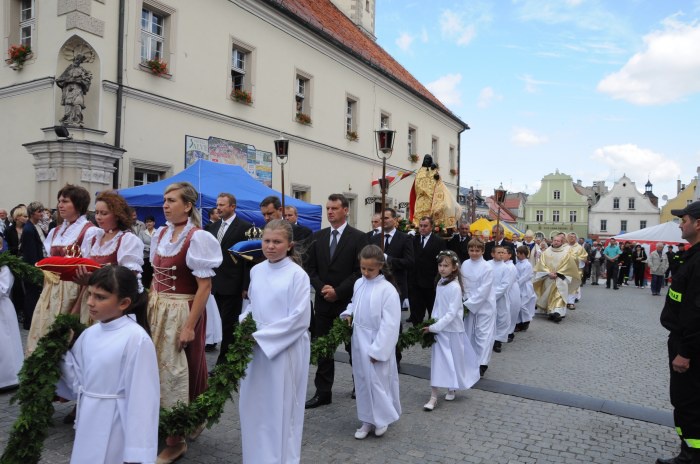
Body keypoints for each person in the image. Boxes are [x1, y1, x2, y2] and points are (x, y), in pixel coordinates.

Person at [147, 181, 222, 463]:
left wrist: (189, 325)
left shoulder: (197, 237)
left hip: (182, 310)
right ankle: (173, 421)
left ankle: (176, 439)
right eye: (164, 200)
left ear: (188, 205)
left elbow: (204, 287)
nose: (165, 205)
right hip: (157, 309)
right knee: (156, 368)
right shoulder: (162, 234)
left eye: (172, 200)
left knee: (177, 372)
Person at [56, 266, 159, 464]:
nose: (90, 303)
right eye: (90, 294)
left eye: (100, 297)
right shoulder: (90, 334)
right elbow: (77, 384)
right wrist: (60, 355)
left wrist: (137, 454)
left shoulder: (136, 339)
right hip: (88, 420)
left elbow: (143, 401)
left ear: (124, 303)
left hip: (116, 425)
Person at [239, 220, 311, 462]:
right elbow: (253, 306)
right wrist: (244, 324)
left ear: (289, 245)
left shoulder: (297, 275)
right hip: (255, 348)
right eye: (267, 241)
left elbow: (299, 318)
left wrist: (261, 337)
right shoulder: (256, 270)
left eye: (277, 242)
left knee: (279, 407)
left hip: (283, 349)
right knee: (255, 406)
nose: (270, 246)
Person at [305, 193, 367, 408]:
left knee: (354, 349)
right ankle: (323, 392)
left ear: (345, 210)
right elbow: (310, 268)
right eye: (328, 208)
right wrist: (322, 287)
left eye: (334, 208)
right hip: (323, 303)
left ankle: (359, 385)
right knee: (323, 349)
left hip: (347, 304)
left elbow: (359, 271)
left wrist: (338, 292)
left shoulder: (358, 237)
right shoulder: (318, 236)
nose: (330, 212)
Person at [340, 244, 401, 438]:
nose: (366, 273)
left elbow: (390, 324)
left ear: (380, 266)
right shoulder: (359, 283)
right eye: (363, 268)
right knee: (363, 380)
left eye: (370, 269)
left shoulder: (388, 290)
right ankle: (366, 419)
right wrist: (349, 313)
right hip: (359, 338)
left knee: (379, 381)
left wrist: (379, 350)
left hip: (377, 340)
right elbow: (354, 302)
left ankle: (381, 419)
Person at [26, 184, 94, 354]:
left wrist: (79, 304)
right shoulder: (55, 231)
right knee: (44, 334)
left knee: (66, 340)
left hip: (74, 291)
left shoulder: (89, 231)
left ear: (78, 205)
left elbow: (90, 269)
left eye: (65, 201)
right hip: (51, 290)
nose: (60, 205)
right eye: (59, 201)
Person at [657, 201, 700, 464]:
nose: (680, 224)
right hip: (684, 341)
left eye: (683, 219)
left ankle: (691, 455)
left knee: (688, 402)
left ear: (698, 223)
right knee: (685, 400)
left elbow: (696, 314)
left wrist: (684, 352)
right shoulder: (692, 255)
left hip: (689, 347)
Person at [74, 191, 144, 325]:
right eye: (97, 212)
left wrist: (94, 281)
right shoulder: (94, 238)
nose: (99, 217)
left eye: (104, 213)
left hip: (112, 303)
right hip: (90, 298)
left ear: (117, 215)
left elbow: (128, 279)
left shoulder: (127, 240)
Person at [422, 250, 479, 411]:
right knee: (439, 361)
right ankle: (433, 396)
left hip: (452, 330)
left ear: (454, 267)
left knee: (453, 360)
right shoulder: (440, 283)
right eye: (440, 265)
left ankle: (452, 386)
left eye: (446, 265)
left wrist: (434, 326)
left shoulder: (455, 287)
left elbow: (452, 313)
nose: (442, 268)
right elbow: (437, 306)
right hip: (440, 330)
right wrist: (432, 321)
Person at [208, 193, 252, 365]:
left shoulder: (244, 227)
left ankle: (224, 362)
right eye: (217, 204)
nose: (218, 208)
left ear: (232, 207)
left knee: (228, 325)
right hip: (213, 283)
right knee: (215, 322)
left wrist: (245, 285)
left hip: (233, 283)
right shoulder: (212, 227)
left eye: (222, 205)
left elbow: (247, 260)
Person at [461, 238, 495, 377]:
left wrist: (469, 303)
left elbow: (484, 289)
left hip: (484, 304)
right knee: (469, 333)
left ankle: (482, 363)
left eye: (477, 250)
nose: (474, 253)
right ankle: (470, 360)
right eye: (471, 250)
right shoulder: (465, 264)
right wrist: (463, 299)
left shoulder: (487, 267)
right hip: (467, 302)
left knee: (482, 334)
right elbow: (462, 283)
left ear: (482, 251)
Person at [408, 216, 446, 324]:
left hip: (431, 283)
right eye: (420, 226)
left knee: (432, 312)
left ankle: (431, 335)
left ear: (431, 227)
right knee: (416, 313)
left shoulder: (439, 241)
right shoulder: (412, 240)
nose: (422, 228)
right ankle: (417, 333)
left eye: (425, 226)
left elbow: (442, 261)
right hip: (415, 283)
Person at [533, 233, 579, 323]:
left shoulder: (566, 253)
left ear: (561, 242)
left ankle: (557, 313)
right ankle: (551, 312)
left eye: (558, 241)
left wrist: (558, 273)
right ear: (552, 241)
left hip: (560, 278)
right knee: (549, 296)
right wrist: (549, 273)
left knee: (559, 296)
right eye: (555, 240)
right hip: (548, 278)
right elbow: (541, 264)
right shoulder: (546, 252)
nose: (556, 242)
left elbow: (568, 266)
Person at [20, 202, 46, 330]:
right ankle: (29, 322)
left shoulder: (34, 226)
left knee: (34, 294)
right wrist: (36, 269)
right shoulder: (29, 229)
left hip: (36, 265)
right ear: (32, 213)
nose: (41, 213)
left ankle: (31, 320)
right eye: (39, 211)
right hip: (32, 268)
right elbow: (30, 253)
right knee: (31, 295)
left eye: (42, 211)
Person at [0, 260, 23, 391]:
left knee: (5, 342)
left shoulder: (3, 267)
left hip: (2, 310)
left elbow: (3, 288)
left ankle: (8, 378)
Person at [490, 244, 513, 352]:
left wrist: (494, 295)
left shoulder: (506, 268)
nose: (501, 255)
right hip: (486, 296)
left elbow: (505, 284)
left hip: (500, 297)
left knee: (501, 318)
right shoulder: (487, 265)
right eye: (499, 252)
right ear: (492, 254)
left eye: (503, 253)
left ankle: (497, 341)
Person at [515, 245, 535, 332]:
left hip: (525, 286)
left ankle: (527, 320)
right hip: (519, 286)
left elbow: (524, 277)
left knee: (522, 305)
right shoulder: (518, 263)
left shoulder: (527, 265)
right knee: (518, 305)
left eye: (518, 253)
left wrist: (516, 285)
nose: (517, 255)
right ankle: (520, 323)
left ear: (523, 254)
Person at [504, 247, 521, 343]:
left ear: (510, 255)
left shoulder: (511, 267)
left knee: (511, 311)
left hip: (511, 291)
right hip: (507, 290)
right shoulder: (503, 265)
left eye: (504, 253)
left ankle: (510, 332)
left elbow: (508, 283)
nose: (501, 254)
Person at [139, 215, 156, 289]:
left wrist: (152, 247)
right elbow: (140, 243)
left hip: (155, 257)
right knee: (145, 274)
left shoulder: (158, 231)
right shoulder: (142, 233)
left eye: (150, 222)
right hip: (145, 257)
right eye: (147, 222)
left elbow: (159, 243)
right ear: (145, 224)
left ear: (154, 223)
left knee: (153, 274)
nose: (149, 223)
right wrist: (150, 247)